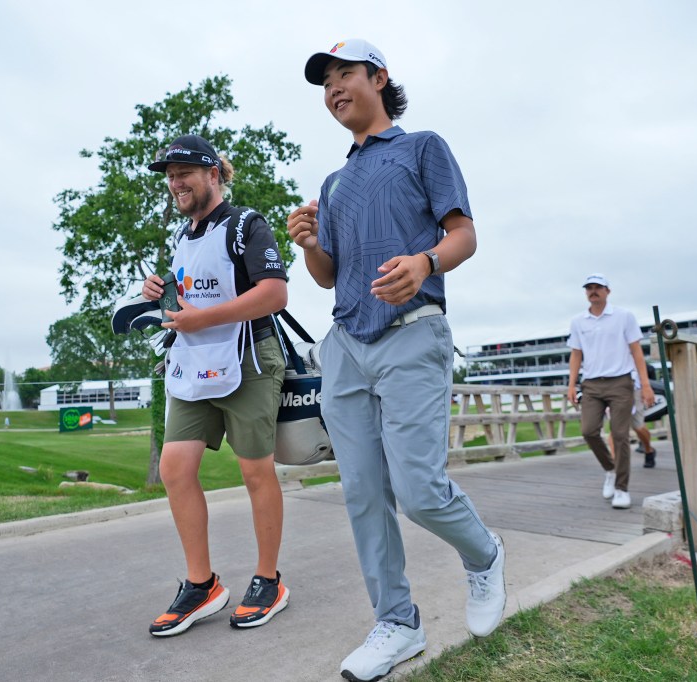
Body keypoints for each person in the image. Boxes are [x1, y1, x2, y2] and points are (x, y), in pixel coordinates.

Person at [287, 39, 506, 682]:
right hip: (346, 345)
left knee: (418, 490)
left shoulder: (422, 148)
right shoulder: (333, 183)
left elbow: (463, 233)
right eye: (325, 83)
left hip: (413, 333)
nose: (334, 89)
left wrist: (425, 262)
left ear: (379, 78)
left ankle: (485, 554)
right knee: (361, 492)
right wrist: (307, 244)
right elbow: (329, 277)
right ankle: (398, 623)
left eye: (345, 75)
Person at [141, 134, 291, 636]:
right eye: (169, 174)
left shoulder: (247, 224)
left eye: (184, 171)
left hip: (248, 358)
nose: (175, 182)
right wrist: (161, 291)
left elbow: (275, 294)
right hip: (194, 361)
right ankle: (201, 585)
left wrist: (203, 319)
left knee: (255, 472)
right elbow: (190, 298)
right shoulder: (182, 237)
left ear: (212, 174)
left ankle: (269, 580)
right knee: (174, 468)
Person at [567, 274, 654, 510]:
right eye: (589, 288)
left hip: (620, 381)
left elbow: (636, 351)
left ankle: (621, 488)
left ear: (608, 291)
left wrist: (645, 385)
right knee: (588, 431)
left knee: (620, 434)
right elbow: (576, 354)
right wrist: (571, 384)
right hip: (592, 383)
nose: (593, 291)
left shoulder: (624, 316)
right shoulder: (578, 321)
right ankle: (609, 469)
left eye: (598, 287)